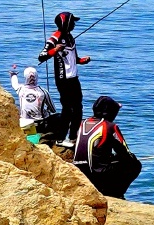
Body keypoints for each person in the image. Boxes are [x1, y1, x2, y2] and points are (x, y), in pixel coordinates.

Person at [38, 11, 90, 148]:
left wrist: (82, 61)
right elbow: (42, 56)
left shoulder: (70, 37)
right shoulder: (55, 37)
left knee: (78, 107)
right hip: (63, 79)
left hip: (74, 78)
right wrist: (54, 50)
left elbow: (74, 58)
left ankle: (73, 136)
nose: (74, 24)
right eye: (72, 22)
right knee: (68, 109)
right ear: (65, 22)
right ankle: (61, 138)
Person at [73, 95, 142, 198]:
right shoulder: (110, 126)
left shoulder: (82, 123)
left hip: (79, 171)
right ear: (111, 112)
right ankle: (115, 193)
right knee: (135, 164)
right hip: (97, 174)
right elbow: (125, 153)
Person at [9, 64, 57, 140]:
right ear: (37, 77)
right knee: (59, 116)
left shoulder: (20, 89)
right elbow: (53, 110)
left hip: (25, 123)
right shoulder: (43, 92)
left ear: (25, 77)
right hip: (40, 125)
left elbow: (14, 83)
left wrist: (13, 74)